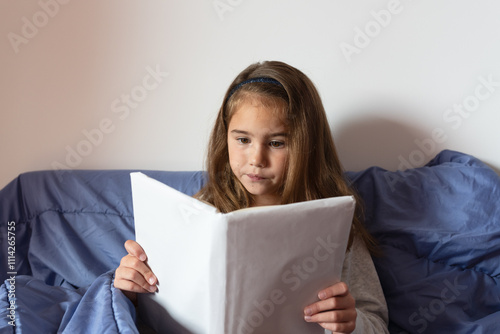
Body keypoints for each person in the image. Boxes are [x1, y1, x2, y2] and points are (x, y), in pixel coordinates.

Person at [114, 60, 389, 333]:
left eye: (277, 143)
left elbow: (376, 323)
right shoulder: (203, 209)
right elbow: (161, 302)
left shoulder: (336, 226)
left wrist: (350, 324)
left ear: (308, 146)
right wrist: (134, 292)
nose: (257, 159)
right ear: (226, 138)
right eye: (243, 140)